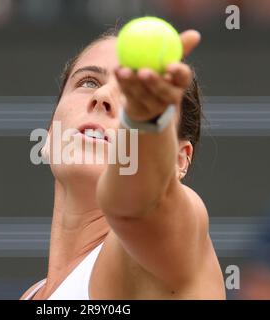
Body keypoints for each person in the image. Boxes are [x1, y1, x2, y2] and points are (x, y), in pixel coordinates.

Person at [20, 26, 225, 300]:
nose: (102, 96)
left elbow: (139, 204)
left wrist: (144, 123)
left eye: (131, 94)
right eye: (89, 81)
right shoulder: (33, 294)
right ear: (50, 131)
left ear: (179, 160)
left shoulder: (157, 253)